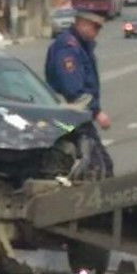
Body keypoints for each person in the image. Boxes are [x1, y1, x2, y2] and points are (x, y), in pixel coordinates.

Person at [45, 9, 114, 175]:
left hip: (78, 116)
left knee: (98, 166)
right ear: (81, 23)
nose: (97, 32)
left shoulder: (81, 46)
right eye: (95, 27)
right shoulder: (68, 48)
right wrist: (97, 112)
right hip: (73, 117)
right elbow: (73, 89)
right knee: (99, 166)